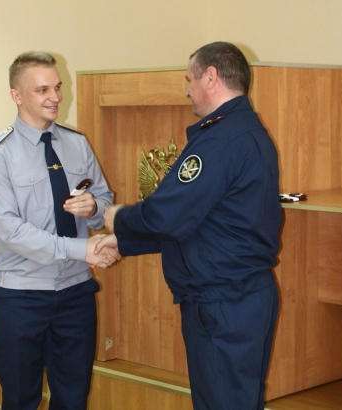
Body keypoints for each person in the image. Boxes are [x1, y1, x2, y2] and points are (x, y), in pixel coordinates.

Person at [97, 42, 282, 410]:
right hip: (240, 296)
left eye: (189, 79)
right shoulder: (246, 132)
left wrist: (119, 219)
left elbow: (170, 215)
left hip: (222, 303)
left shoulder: (220, 140)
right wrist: (125, 243)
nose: (187, 90)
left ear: (210, 77)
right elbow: (203, 225)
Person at [0, 51, 119, 410]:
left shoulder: (77, 143)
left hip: (75, 292)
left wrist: (94, 207)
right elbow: (11, 231)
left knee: (73, 398)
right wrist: (82, 250)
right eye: (42, 90)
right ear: (17, 95)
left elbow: (103, 199)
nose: (55, 97)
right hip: (21, 295)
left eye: (57, 87)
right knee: (21, 398)